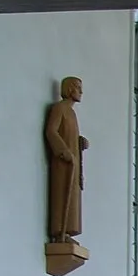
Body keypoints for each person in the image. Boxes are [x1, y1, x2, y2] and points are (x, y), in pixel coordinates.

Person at [44, 77, 88, 243]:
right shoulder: (59, 108)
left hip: (73, 163)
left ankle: (67, 233)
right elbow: (51, 132)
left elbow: (70, 135)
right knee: (62, 194)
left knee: (73, 197)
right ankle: (59, 233)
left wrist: (79, 141)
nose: (81, 92)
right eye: (78, 88)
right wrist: (63, 151)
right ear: (70, 89)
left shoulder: (71, 113)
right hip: (63, 163)